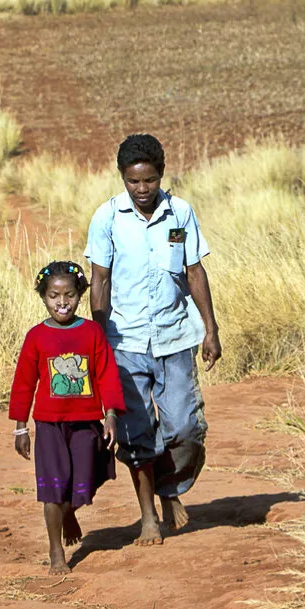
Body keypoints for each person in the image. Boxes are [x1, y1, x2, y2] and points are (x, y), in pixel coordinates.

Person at [86, 133, 221, 546]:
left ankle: (169, 489)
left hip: (175, 335)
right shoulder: (107, 219)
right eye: (133, 181)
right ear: (122, 178)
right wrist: (98, 340)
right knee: (137, 433)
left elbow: (194, 271)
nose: (142, 190)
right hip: (123, 341)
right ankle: (149, 516)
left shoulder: (179, 214)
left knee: (185, 427)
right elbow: (100, 280)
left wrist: (211, 329)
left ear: (161, 173)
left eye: (149, 180)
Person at [9, 259, 123, 574]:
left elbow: (106, 375)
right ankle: (56, 551)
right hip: (49, 424)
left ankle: (70, 511)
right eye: (54, 296)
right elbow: (23, 383)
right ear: (43, 297)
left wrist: (111, 414)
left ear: (80, 294)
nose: (62, 303)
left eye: (69, 295)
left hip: (87, 422)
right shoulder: (36, 336)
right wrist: (21, 428)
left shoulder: (92, 332)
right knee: (52, 489)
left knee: (85, 483)